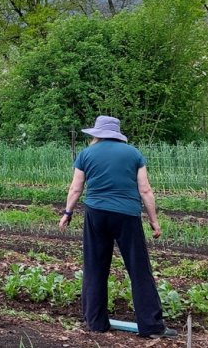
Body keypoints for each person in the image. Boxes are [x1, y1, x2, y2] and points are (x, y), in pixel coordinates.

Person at [59, 115, 177, 339]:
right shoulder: (133, 153)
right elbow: (145, 190)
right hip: (127, 215)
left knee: (94, 267)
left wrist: (67, 212)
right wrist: (153, 220)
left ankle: (96, 322)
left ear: (96, 134)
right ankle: (151, 326)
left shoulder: (86, 154)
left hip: (96, 214)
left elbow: (76, 188)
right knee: (139, 269)